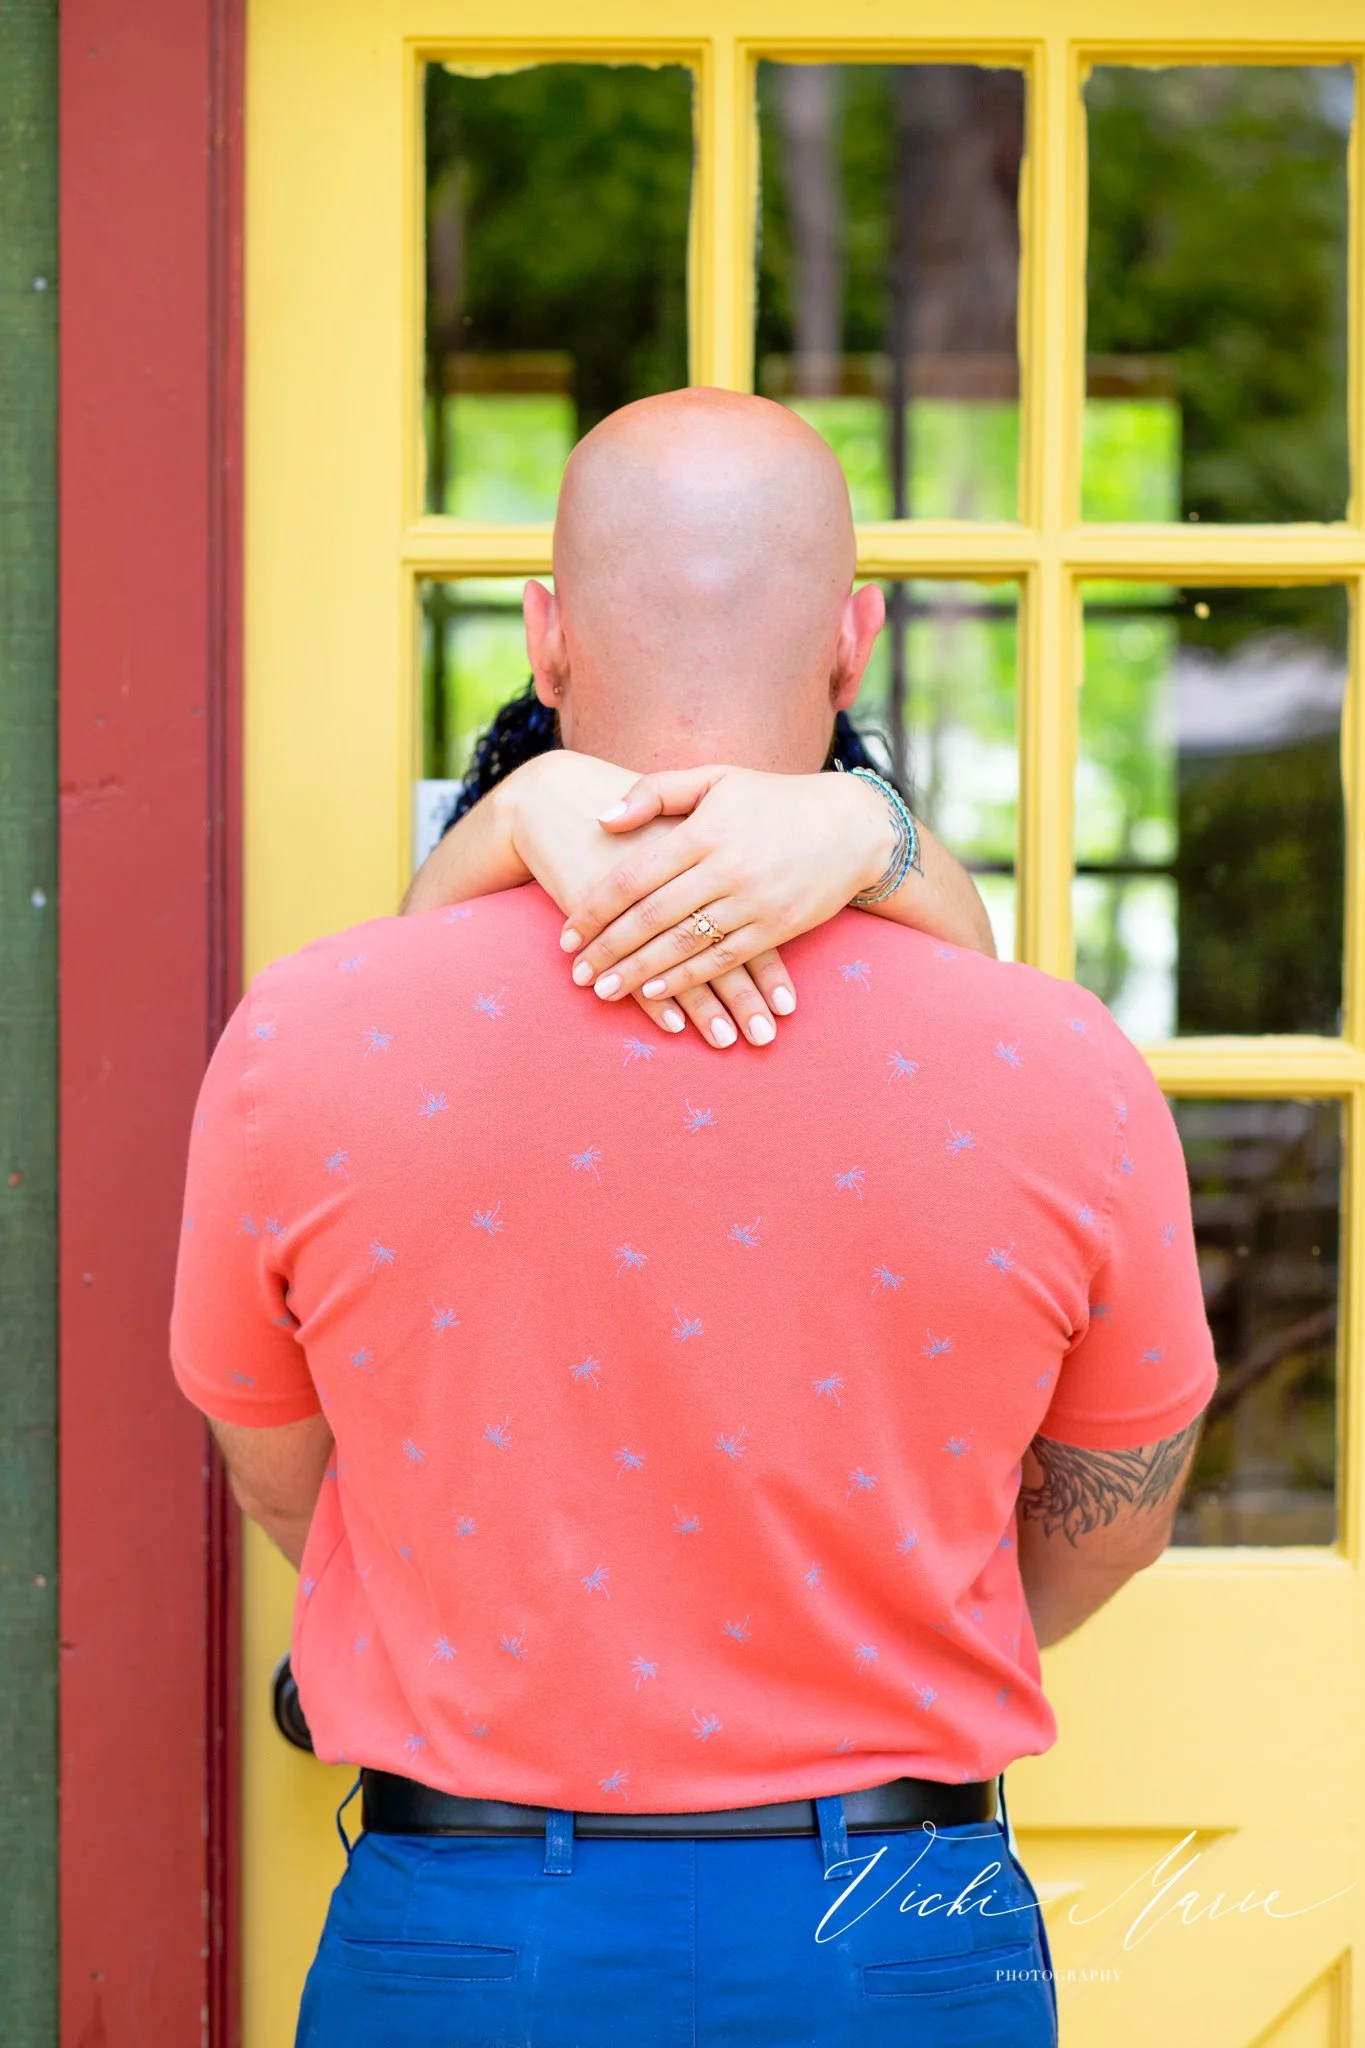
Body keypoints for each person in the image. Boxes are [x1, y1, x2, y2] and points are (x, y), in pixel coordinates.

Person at [171, 389, 1217, 2048]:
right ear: (856, 646)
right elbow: (1117, 1515)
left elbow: (285, 1465)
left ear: (545, 639)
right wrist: (866, 1646)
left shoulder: (303, 1040)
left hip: (466, 1939)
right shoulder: (1061, 1063)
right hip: (897, 1935)